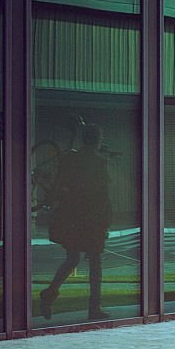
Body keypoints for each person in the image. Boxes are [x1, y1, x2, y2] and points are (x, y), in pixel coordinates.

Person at [39, 123, 112, 322]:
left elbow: (60, 183)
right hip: (92, 218)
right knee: (95, 263)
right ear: (98, 140)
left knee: (72, 258)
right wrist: (105, 222)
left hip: (72, 217)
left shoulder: (70, 159)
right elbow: (103, 196)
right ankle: (94, 306)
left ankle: (51, 292)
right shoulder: (99, 162)